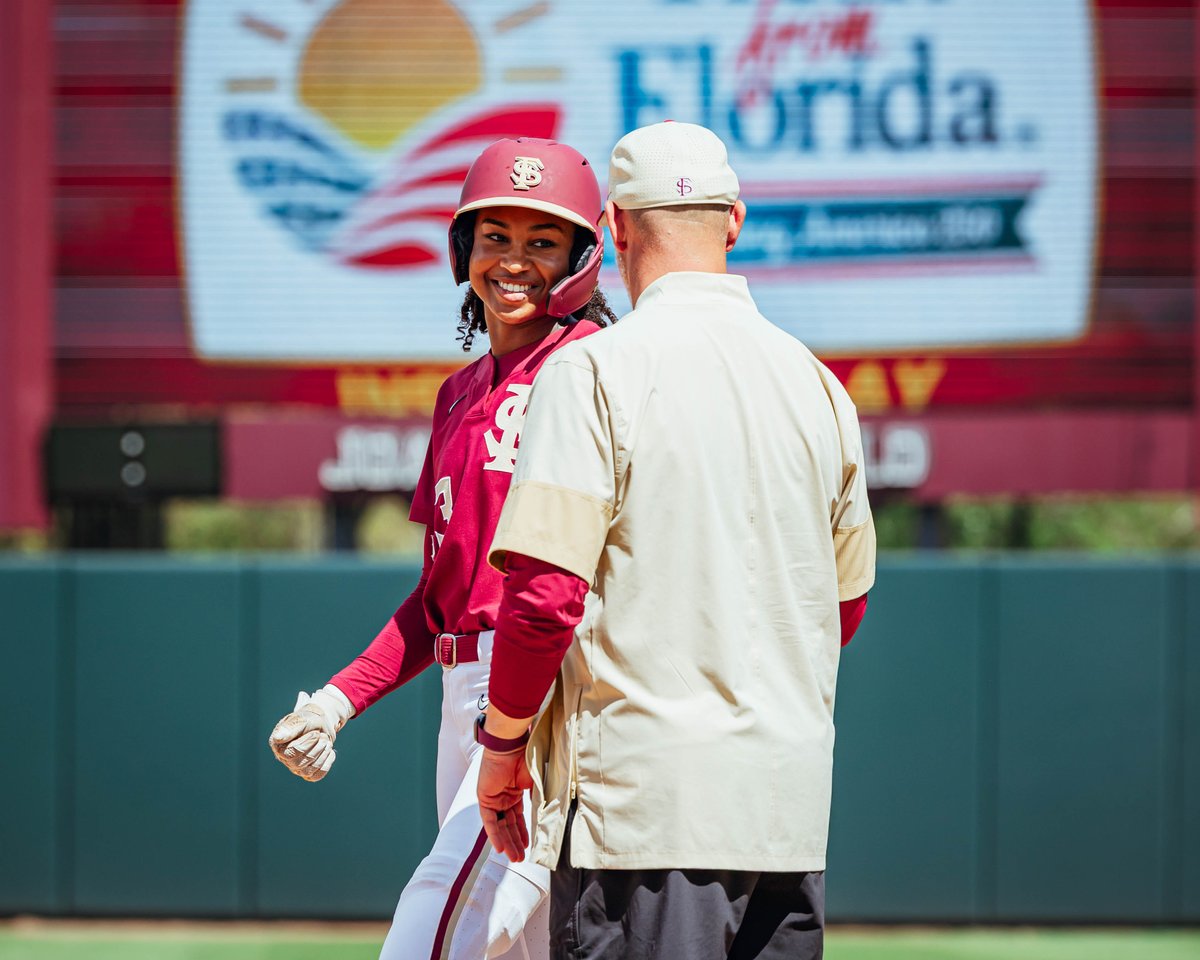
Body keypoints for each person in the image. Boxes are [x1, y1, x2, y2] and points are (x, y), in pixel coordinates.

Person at [474, 121, 875, 960]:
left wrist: (504, 745)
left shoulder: (591, 371)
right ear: (735, 221)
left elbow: (544, 598)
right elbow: (842, 607)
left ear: (614, 226)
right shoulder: (819, 386)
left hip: (643, 818)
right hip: (785, 818)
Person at [267, 136, 617, 960]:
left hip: (547, 679)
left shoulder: (595, 367)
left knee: (441, 917)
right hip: (466, 687)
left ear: (582, 255)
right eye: (496, 236)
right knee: (515, 943)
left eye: (543, 241)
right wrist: (335, 700)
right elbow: (438, 602)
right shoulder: (458, 394)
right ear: (464, 248)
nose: (515, 261)